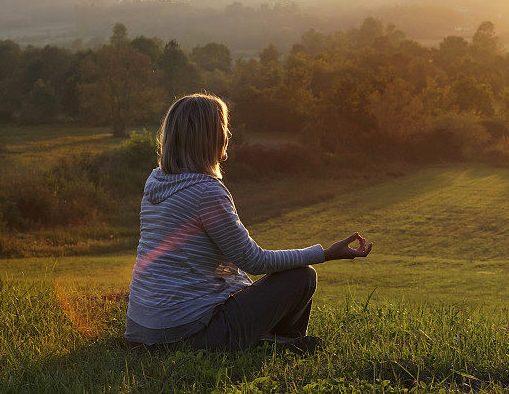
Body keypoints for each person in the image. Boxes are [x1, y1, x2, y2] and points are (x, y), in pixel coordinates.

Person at [124, 93, 373, 354]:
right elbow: (255, 262)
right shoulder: (206, 191)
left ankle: (274, 342)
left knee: (267, 287)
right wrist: (325, 253)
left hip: (141, 332)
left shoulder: (156, 182)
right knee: (302, 277)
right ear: (210, 137)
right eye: (223, 127)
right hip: (188, 335)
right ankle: (282, 345)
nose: (228, 134)